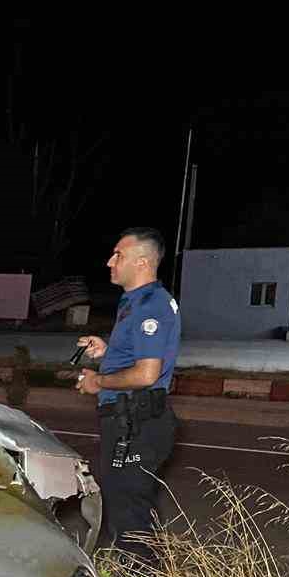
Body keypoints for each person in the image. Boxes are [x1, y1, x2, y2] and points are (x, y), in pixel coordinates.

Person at [75, 227, 182, 551]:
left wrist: (98, 381)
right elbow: (142, 356)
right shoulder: (135, 302)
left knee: (129, 516)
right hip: (131, 420)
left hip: (137, 423)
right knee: (125, 511)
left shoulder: (150, 305)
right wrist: (108, 352)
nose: (110, 261)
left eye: (118, 254)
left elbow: (146, 374)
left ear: (142, 262)